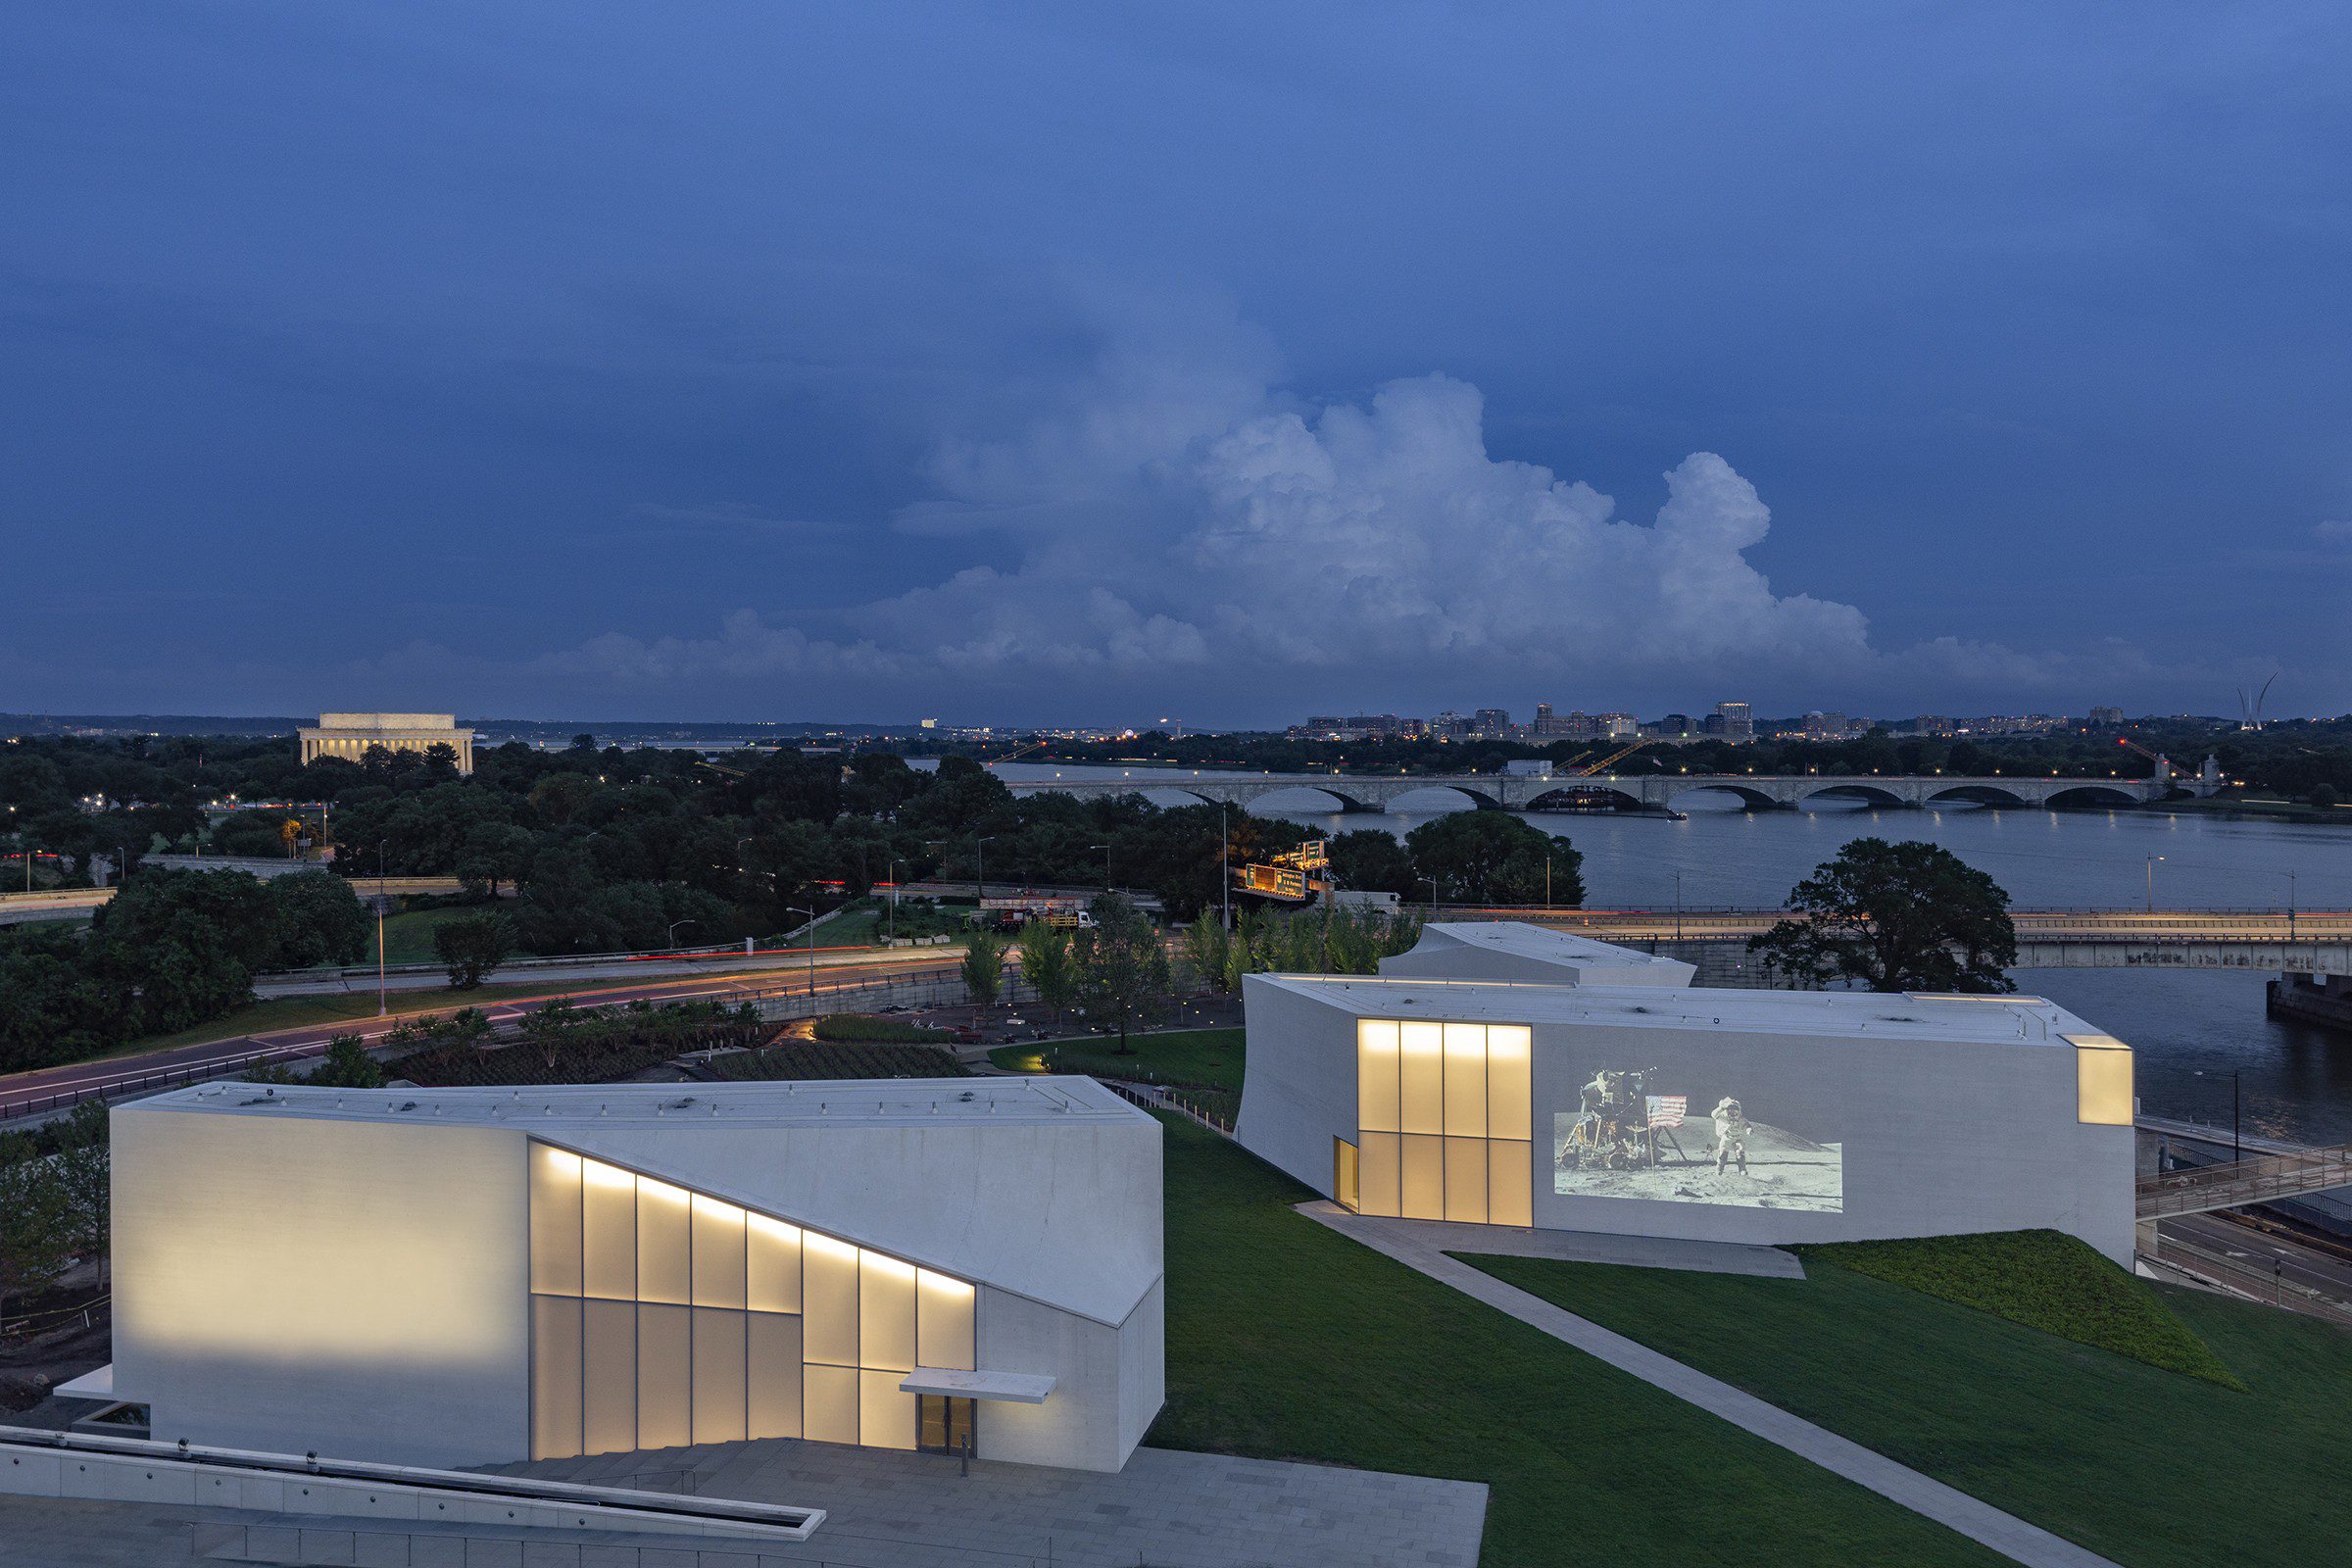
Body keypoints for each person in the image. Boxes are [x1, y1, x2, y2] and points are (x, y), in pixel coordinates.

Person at [1711, 1096, 1750, 1176]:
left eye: (1735, 1111)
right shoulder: (1724, 1117)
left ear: (1738, 1111)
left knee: (1740, 1153)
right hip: (1727, 1137)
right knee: (1722, 1154)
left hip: (1737, 1137)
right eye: (1730, 1110)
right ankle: (1719, 1169)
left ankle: (1742, 1169)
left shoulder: (1741, 1119)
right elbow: (1714, 1115)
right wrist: (1721, 1108)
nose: (1732, 1112)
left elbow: (1746, 1124)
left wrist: (1748, 1129)